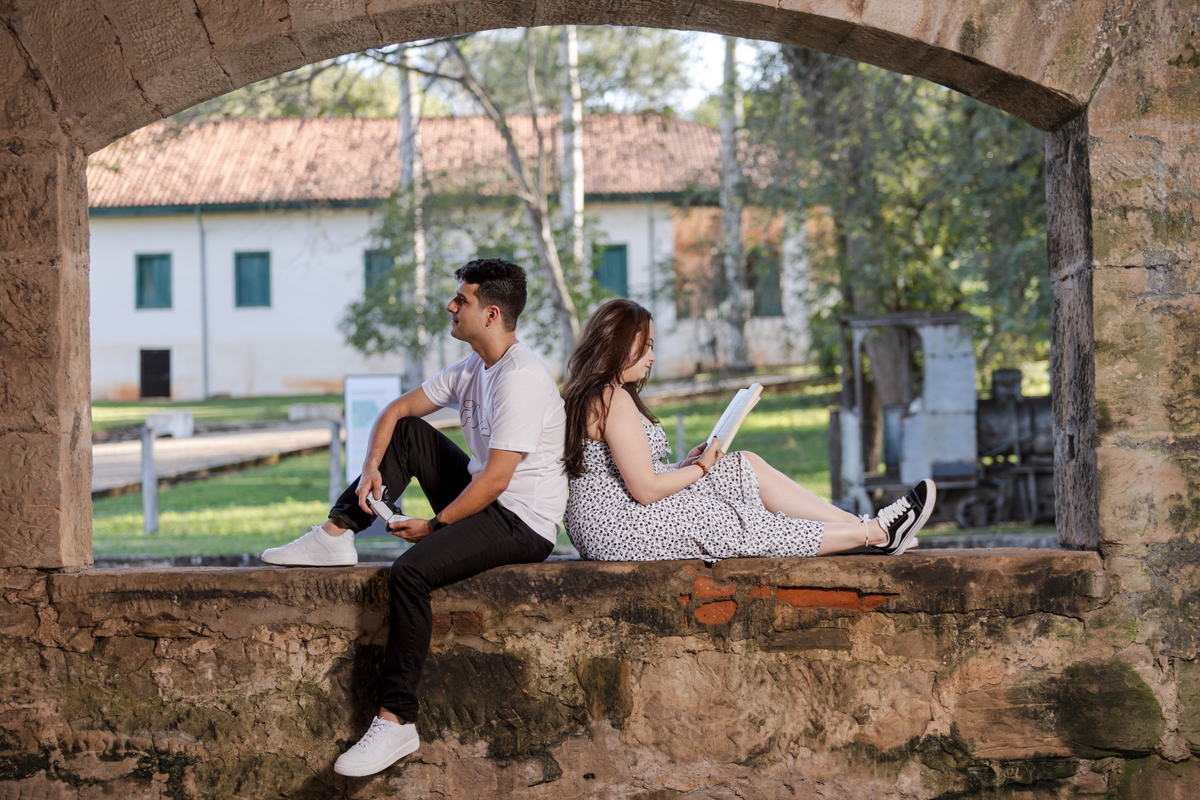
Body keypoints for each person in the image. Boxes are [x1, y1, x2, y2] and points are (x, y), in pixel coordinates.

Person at [260, 259, 567, 778]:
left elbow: (496, 480)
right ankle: (337, 535)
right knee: (407, 434)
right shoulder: (474, 367)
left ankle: (397, 719)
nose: (451, 306)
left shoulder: (522, 379)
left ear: (491, 313)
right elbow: (397, 410)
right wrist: (371, 469)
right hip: (485, 497)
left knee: (410, 573)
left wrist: (434, 527)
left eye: (461, 300)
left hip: (522, 519)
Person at [561, 299, 934, 562]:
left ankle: (863, 528)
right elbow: (643, 491)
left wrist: (689, 467)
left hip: (609, 520)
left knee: (741, 467)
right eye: (646, 348)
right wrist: (700, 468)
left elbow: (630, 477)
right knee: (730, 519)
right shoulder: (611, 398)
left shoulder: (599, 394)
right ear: (618, 345)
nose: (653, 358)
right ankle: (878, 534)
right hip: (618, 528)